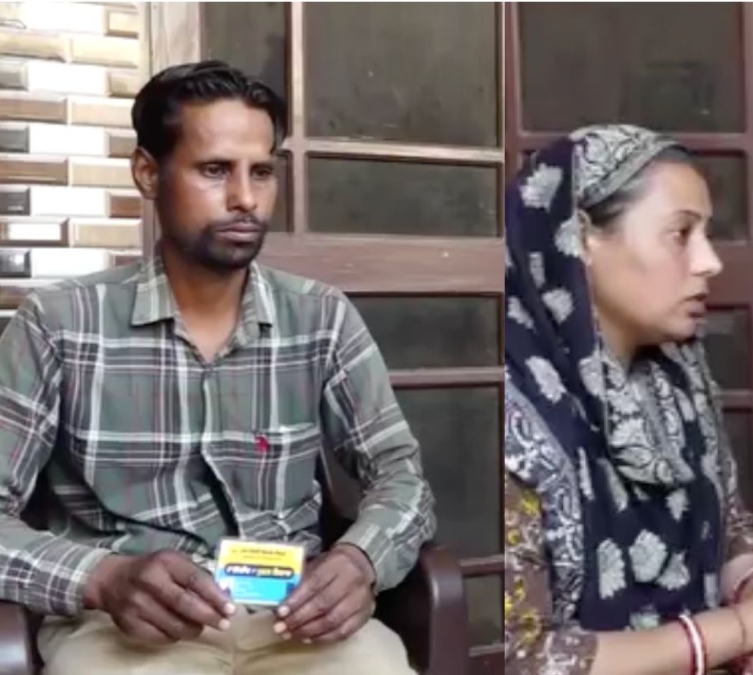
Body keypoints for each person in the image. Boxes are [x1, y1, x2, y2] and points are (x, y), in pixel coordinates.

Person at [0, 61, 435, 674]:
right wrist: (100, 578)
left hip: (294, 617)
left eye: (262, 172)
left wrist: (361, 559)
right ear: (148, 173)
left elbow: (400, 473)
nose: (246, 199)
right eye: (214, 170)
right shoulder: (60, 323)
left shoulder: (321, 318)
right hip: (123, 628)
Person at [504, 124, 753, 675]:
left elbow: (728, 528)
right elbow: (521, 660)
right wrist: (745, 629)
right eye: (681, 234)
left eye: (705, 234)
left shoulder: (676, 377)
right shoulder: (510, 411)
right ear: (581, 238)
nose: (710, 261)